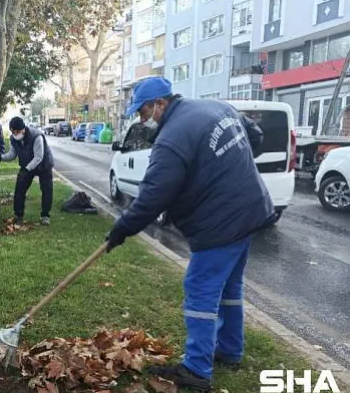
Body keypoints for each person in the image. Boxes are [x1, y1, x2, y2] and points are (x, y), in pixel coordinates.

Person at [104, 76, 275, 391]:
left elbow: (152, 196)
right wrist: (223, 169)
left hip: (222, 223)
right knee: (229, 288)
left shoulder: (171, 139)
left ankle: (196, 369)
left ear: (161, 103)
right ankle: (230, 350)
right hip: (252, 209)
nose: (144, 120)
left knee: (201, 288)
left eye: (143, 112)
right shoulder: (215, 106)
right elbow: (256, 136)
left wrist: (120, 230)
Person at [1, 116, 55, 226]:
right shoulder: (13, 139)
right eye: (13, 132)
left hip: (44, 165)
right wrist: (0, 157)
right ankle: (18, 215)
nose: (15, 134)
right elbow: (12, 154)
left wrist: (26, 169)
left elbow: (38, 157)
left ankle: (45, 216)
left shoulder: (36, 137)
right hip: (27, 165)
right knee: (19, 188)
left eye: (17, 132)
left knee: (46, 189)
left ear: (23, 129)